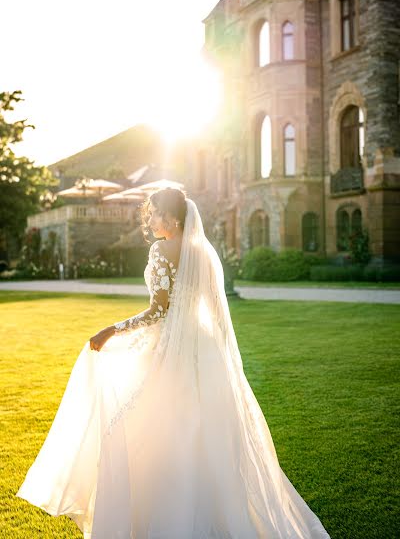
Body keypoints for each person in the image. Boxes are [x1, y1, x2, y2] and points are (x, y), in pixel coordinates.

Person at [16, 188, 331, 539]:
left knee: (148, 431)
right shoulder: (204, 252)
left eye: (153, 214)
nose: (149, 220)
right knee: (206, 436)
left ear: (172, 218)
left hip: (170, 350)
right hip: (205, 348)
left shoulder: (161, 250)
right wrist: (222, 359)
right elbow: (214, 311)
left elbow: (159, 310)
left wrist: (112, 330)